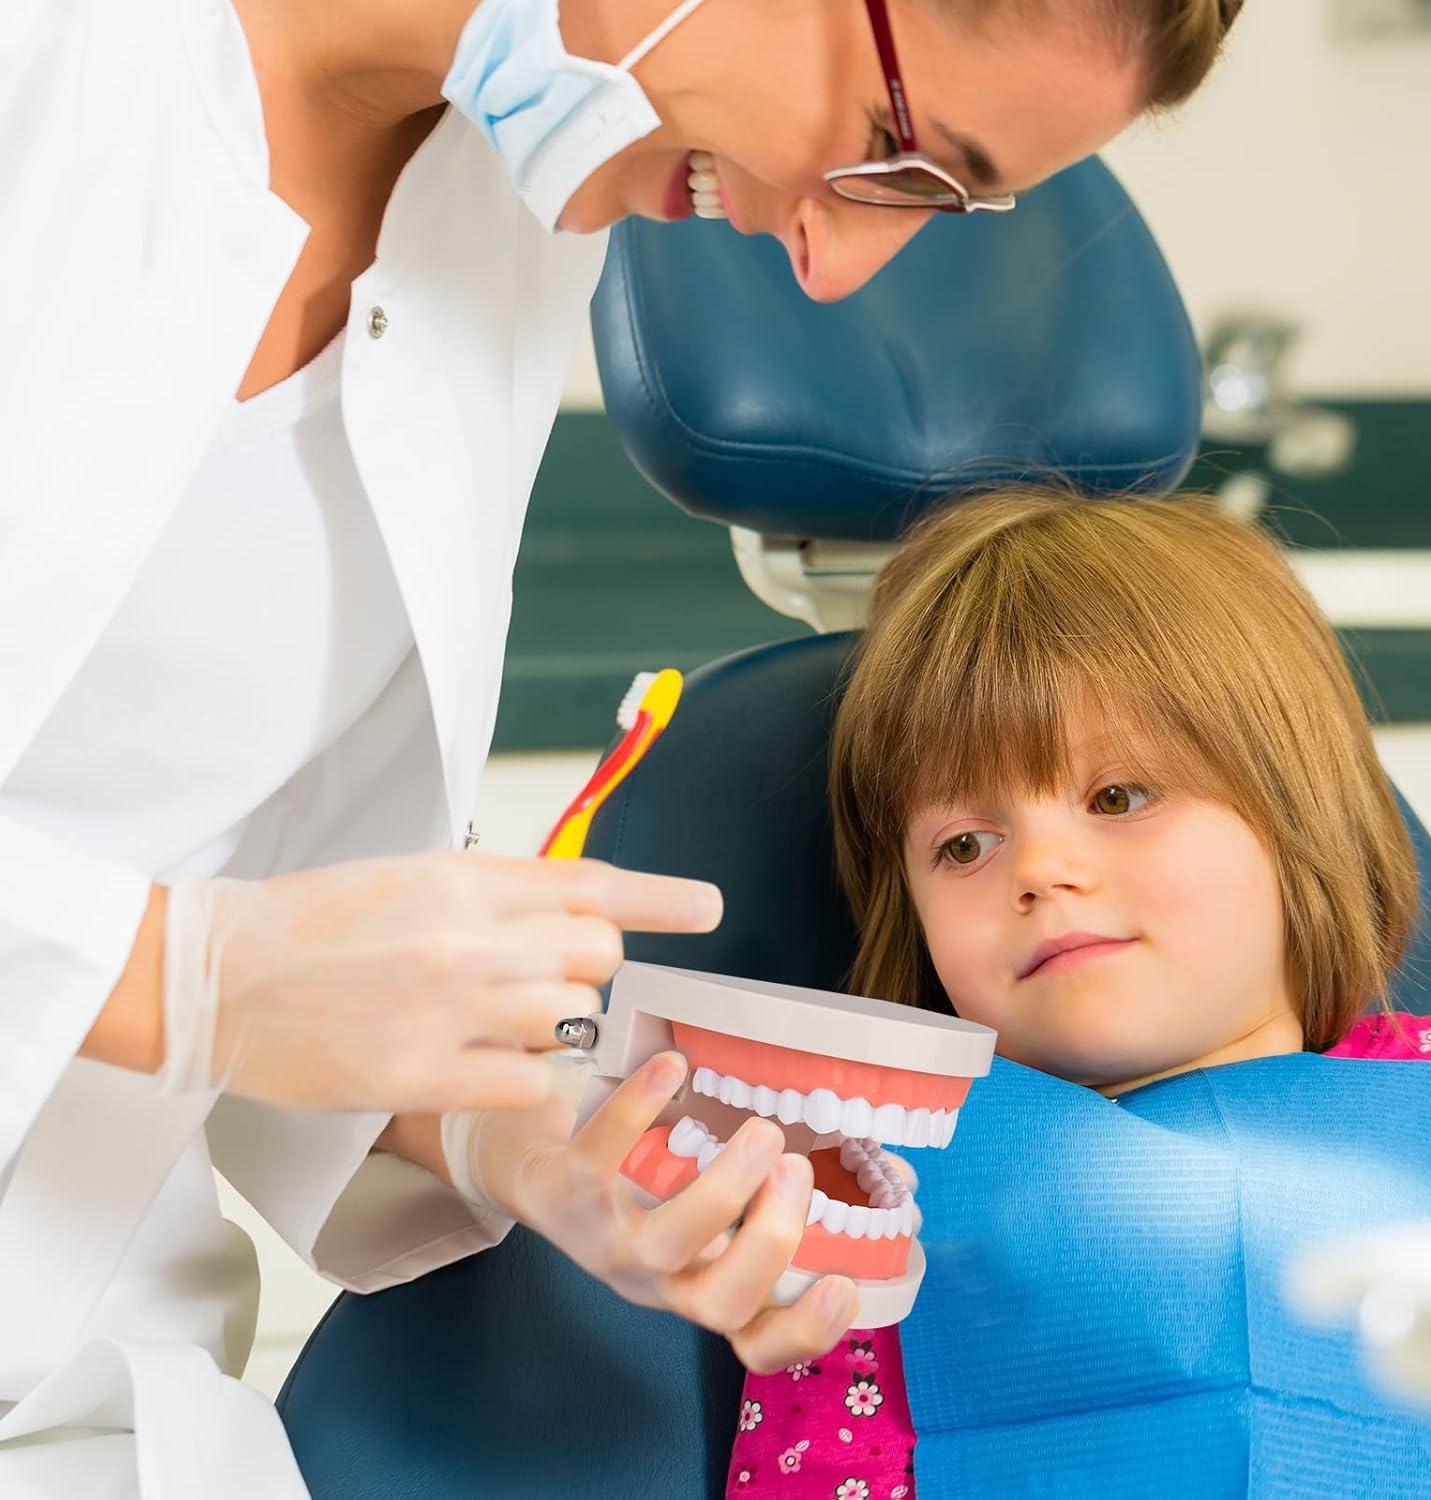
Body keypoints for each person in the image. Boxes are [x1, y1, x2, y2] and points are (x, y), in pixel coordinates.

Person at [1, 0, 1243, 1490]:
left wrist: (535, 1148)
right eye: (890, 153)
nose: (834, 264)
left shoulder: (507, 228)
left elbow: (274, 893)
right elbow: (215, 966)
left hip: (92, 1397)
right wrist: (178, 977)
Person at [728, 491, 1431, 1496]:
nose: (1040, 871)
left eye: (1117, 798)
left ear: (1294, 813)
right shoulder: (865, 1214)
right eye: (965, 845)